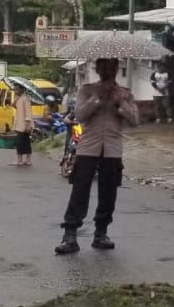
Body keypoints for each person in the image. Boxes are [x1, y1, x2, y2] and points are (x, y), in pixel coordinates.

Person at [56, 58, 141, 254]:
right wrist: (97, 98)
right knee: (80, 191)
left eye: (110, 68)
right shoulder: (86, 90)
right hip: (88, 148)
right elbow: (80, 115)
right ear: (97, 69)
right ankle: (70, 235)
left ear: (116, 69)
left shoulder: (125, 93)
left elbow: (135, 121)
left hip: (112, 149)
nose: (106, 71)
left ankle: (101, 233)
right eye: (103, 67)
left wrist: (120, 102)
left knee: (108, 193)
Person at [12, 88, 34, 168]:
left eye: (16, 89)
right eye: (14, 89)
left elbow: (28, 112)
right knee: (23, 142)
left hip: (24, 124)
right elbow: (18, 108)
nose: (15, 91)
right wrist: (15, 102)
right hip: (19, 124)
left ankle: (23, 160)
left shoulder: (25, 99)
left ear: (21, 90)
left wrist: (28, 124)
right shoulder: (19, 98)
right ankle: (24, 160)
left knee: (21, 143)